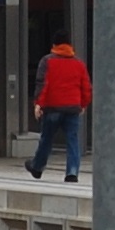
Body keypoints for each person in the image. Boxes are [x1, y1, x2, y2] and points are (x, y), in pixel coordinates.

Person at [25, 42, 90, 182]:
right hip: (73, 107)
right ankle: (72, 172)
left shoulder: (47, 61)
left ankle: (37, 167)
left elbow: (42, 84)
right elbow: (86, 86)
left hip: (52, 106)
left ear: (54, 44)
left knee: (46, 139)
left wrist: (38, 104)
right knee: (73, 140)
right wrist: (83, 104)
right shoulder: (79, 64)